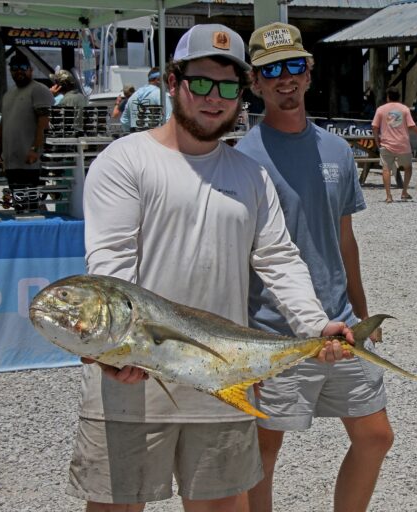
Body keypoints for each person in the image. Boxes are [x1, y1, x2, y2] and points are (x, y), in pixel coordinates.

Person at [71, 23, 352, 512]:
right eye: (201, 82)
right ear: (174, 82)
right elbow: (110, 270)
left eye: (227, 86)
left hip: (223, 382)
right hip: (133, 382)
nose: (213, 97)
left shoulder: (250, 175)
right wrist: (112, 350)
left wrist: (315, 325)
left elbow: (279, 259)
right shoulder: (125, 161)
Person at [236, 22, 391, 512]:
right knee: (263, 449)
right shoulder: (241, 157)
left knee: (376, 436)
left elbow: (344, 236)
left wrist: (362, 312)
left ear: (308, 72)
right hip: (272, 330)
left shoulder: (337, 149)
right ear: (255, 83)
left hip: (340, 322)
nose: (285, 79)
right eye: (272, 70)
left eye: (294, 66)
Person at [0, 52, 53, 189]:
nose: (19, 71)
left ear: (30, 69)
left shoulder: (39, 90)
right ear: (10, 71)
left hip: (32, 163)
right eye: (14, 68)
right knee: (19, 205)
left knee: (32, 205)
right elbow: (3, 125)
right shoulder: (8, 94)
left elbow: (44, 123)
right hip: (11, 163)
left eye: (23, 67)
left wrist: (35, 150)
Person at [371, 86, 417, 203]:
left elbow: (374, 127)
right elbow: (412, 126)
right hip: (403, 144)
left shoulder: (381, 110)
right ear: (399, 97)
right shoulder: (404, 109)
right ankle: (404, 191)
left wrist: (377, 141)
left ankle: (388, 196)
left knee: (386, 169)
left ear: (387, 97)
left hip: (386, 144)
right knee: (408, 168)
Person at [120, 66, 172, 131]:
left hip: (136, 137)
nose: (166, 83)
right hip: (154, 137)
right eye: (165, 80)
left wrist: (130, 133)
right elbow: (169, 119)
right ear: (158, 80)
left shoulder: (134, 96)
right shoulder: (160, 95)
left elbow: (124, 121)